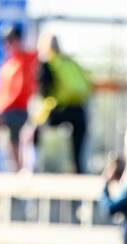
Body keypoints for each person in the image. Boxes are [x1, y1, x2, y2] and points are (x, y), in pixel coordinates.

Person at [32, 34, 92, 174]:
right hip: (79, 110)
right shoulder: (71, 62)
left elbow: (44, 92)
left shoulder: (48, 63)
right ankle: (79, 173)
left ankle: (33, 167)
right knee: (77, 151)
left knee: (30, 132)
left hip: (59, 109)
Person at [0, 23, 38, 172]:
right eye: (5, 41)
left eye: (12, 40)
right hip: (7, 109)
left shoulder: (27, 59)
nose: (8, 44)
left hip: (19, 109)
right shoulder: (8, 64)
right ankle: (17, 175)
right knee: (13, 145)